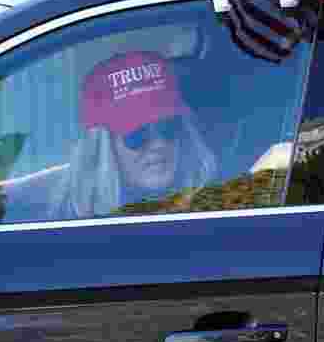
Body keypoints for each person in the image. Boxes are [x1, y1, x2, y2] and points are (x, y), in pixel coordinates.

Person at [50, 50, 217, 219]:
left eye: (168, 127)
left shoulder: (219, 202)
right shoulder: (70, 224)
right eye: (137, 135)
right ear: (102, 149)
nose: (159, 144)